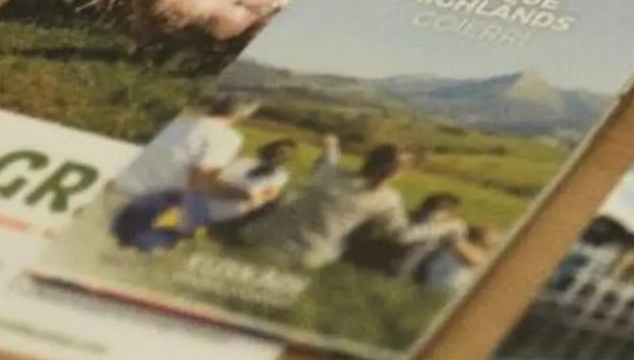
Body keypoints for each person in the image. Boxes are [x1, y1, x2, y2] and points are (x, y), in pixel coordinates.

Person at [230, 141, 418, 270]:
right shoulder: (387, 199)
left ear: (367, 158)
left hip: (263, 238)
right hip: (306, 256)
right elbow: (402, 235)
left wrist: (332, 146)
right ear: (399, 174)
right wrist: (444, 225)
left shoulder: (328, 172)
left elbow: (328, 164)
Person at [105, 101, 260, 252]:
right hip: (145, 207)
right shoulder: (226, 138)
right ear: (243, 116)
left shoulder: (177, 124)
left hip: (116, 190)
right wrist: (243, 195)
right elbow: (201, 181)